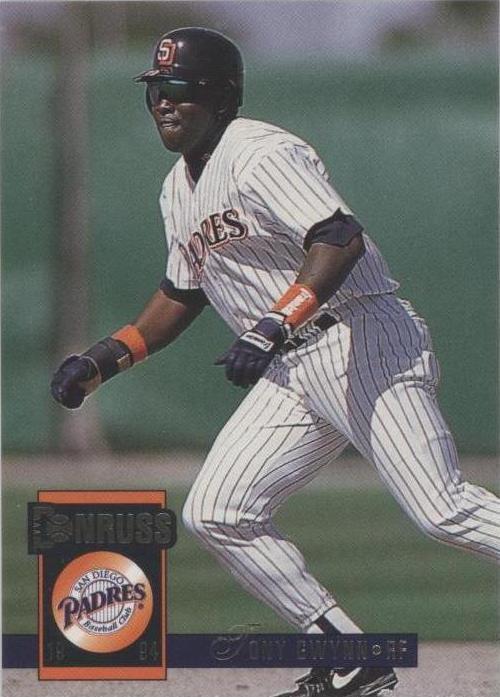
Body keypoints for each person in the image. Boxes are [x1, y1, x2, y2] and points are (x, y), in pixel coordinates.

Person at [50, 27, 500, 697]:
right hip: (291, 366)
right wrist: (103, 360)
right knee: (218, 511)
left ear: (219, 95)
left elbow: (338, 236)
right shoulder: (177, 189)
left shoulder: (258, 151)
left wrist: (273, 321)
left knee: (442, 509)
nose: (164, 102)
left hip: (359, 336)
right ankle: (350, 656)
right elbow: (182, 292)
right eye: (155, 91)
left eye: (179, 88)